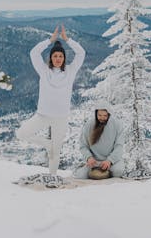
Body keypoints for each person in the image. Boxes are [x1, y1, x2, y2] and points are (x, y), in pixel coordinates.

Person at [16, 25, 85, 175]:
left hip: (61, 117)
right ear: (51, 58)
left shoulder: (70, 72)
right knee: (21, 134)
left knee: (56, 152)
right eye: (55, 56)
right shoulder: (44, 71)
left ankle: (52, 177)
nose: (58, 59)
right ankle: (47, 144)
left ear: (64, 58)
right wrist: (50, 40)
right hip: (43, 115)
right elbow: (34, 52)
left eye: (60, 56)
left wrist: (68, 40)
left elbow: (81, 53)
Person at [73, 102, 125, 179]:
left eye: (105, 116)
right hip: (94, 162)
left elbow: (119, 147)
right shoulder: (89, 124)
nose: (102, 118)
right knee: (80, 176)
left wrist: (109, 161)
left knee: (118, 171)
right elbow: (83, 146)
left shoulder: (117, 124)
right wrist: (89, 158)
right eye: (99, 115)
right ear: (96, 114)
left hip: (112, 162)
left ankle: (106, 173)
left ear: (109, 115)